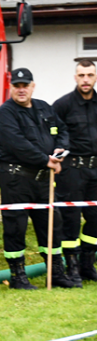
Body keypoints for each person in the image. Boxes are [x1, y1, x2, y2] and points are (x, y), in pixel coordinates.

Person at [0, 68, 75, 289]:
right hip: (16, 178)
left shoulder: (43, 107)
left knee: (51, 225)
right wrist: (45, 160)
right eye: (17, 86)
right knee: (15, 227)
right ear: (11, 87)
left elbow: (62, 130)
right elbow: (17, 144)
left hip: (42, 179)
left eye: (25, 85)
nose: (21, 90)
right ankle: (18, 276)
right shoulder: (5, 113)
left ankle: (56, 272)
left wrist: (60, 150)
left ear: (32, 86)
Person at [53, 60, 97, 285]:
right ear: (75, 77)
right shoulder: (63, 105)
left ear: (95, 77)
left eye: (90, 75)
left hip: (95, 169)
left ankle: (87, 264)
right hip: (72, 170)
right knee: (70, 219)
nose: (86, 80)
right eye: (82, 75)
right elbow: (54, 133)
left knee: (95, 219)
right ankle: (72, 269)